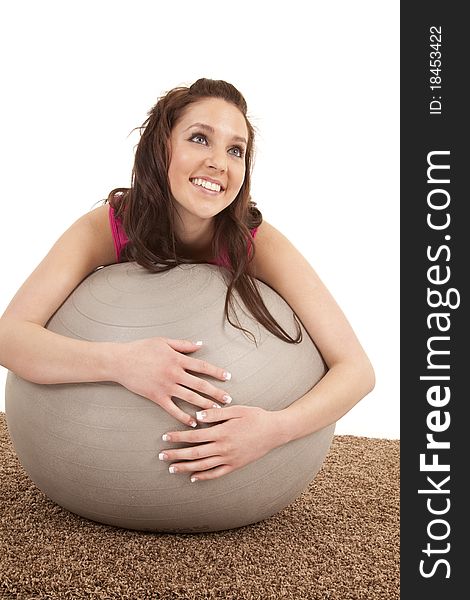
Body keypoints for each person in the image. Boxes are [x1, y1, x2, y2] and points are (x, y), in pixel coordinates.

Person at [0, 78, 375, 483]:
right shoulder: (108, 227)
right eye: (199, 138)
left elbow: (356, 370)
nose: (219, 162)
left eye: (236, 150)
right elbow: (9, 336)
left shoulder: (258, 243)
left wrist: (274, 430)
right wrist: (121, 362)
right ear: (161, 149)